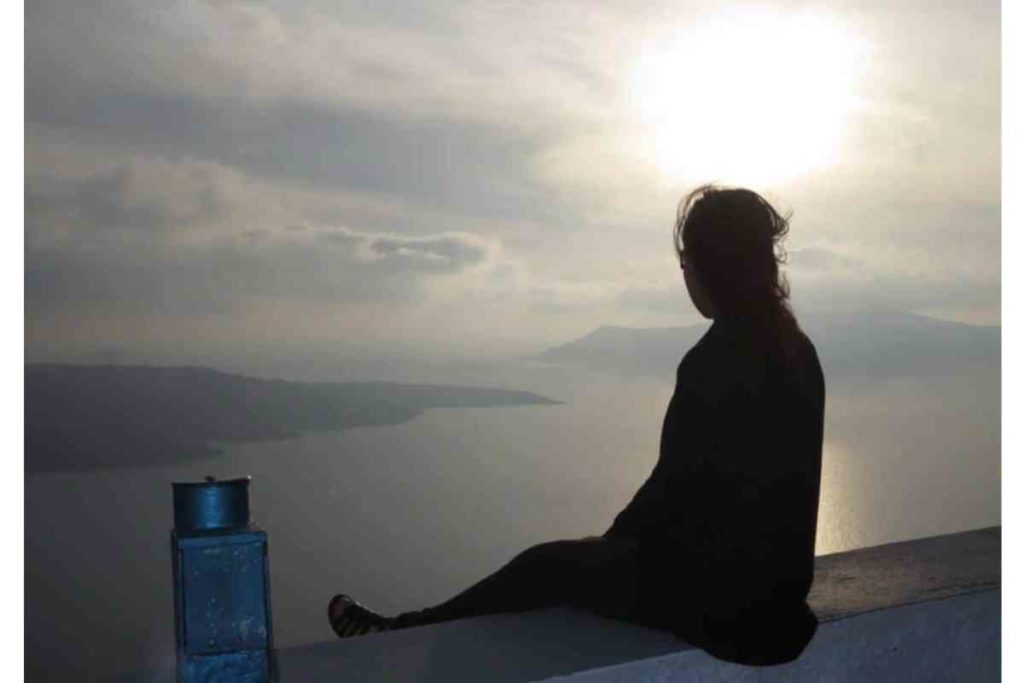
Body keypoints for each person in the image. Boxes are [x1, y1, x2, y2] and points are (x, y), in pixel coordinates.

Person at [328, 184, 826, 666]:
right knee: (580, 561)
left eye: (686, 264)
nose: (686, 277)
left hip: (727, 613)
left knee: (545, 566)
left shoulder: (715, 359)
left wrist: (607, 549)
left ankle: (406, 632)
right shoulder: (796, 351)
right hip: (781, 612)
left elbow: (670, 489)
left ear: (709, 268)